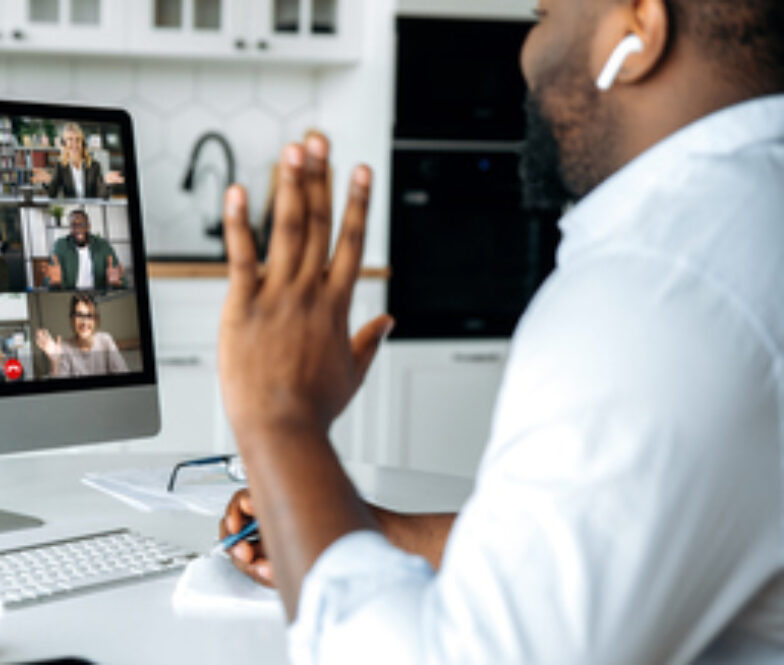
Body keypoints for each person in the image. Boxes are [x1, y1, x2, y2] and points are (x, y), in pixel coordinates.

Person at [216, 1, 784, 663]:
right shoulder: (748, 218)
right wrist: (363, 526)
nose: (525, 54)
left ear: (640, 29)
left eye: (544, 16)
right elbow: (597, 543)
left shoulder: (658, 287)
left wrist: (281, 421)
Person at [35, 293, 128, 377]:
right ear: (72, 320)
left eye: (89, 316)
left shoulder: (106, 341)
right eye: (79, 316)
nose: (84, 322)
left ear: (95, 320)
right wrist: (55, 363)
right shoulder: (65, 348)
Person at [30, 122, 124, 199]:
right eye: (70, 139)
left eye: (78, 139)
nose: (74, 144)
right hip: (71, 212)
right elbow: (52, 194)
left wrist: (106, 183)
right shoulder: (60, 166)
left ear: (82, 143)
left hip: (92, 211)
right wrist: (48, 181)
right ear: (64, 143)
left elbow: (102, 195)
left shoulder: (94, 166)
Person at [44, 209, 124, 290]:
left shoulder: (103, 246)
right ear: (70, 227)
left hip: (98, 296)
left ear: (88, 226)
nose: (78, 229)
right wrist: (55, 284)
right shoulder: (60, 245)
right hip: (68, 296)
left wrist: (116, 284)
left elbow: (119, 278)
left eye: (82, 224)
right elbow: (50, 280)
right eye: (74, 225)